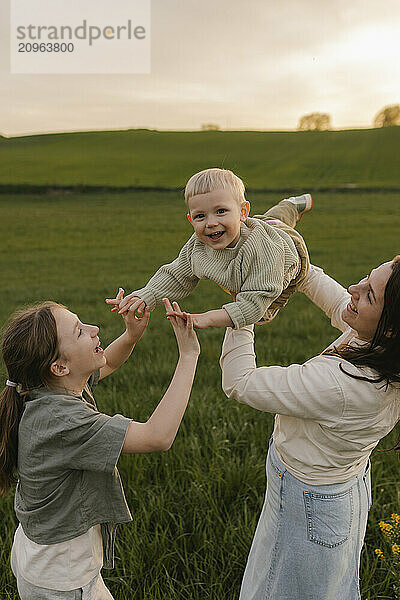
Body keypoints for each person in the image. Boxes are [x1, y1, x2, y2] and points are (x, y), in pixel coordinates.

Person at [219, 258, 400, 600]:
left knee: (276, 590)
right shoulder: (383, 349)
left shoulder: (345, 385)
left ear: (391, 326)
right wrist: (297, 264)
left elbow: (240, 382)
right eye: (365, 277)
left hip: (311, 503)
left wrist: (243, 310)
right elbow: (337, 302)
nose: (354, 289)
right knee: (326, 589)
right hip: (339, 489)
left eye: (369, 295)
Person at [0, 294, 200, 600]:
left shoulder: (45, 391)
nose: (94, 329)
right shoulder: (64, 421)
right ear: (59, 367)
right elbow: (158, 436)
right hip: (64, 578)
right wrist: (188, 356)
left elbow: (110, 362)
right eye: (80, 331)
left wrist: (132, 335)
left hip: (43, 560)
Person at [109, 168, 312, 329]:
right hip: (255, 226)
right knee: (269, 220)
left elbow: (253, 305)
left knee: (262, 315)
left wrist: (206, 318)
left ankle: (291, 205)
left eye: (221, 211)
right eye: (200, 216)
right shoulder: (197, 246)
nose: (211, 223)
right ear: (190, 220)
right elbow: (177, 274)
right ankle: (287, 207)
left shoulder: (263, 251)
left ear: (243, 212)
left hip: (291, 255)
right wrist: (147, 294)